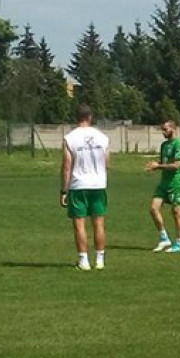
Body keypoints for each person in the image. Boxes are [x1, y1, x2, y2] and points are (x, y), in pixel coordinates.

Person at [60, 105, 110, 271]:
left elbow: (67, 166)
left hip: (78, 184)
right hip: (98, 184)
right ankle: (100, 259)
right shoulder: (102, 137)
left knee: (79, 224)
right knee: (98, 223)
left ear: (77, 117)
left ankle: (84, 261)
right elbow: (107, 163)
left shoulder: (70, 138)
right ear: (90, 117)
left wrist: (64, 191)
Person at [147, 120, 180, 253]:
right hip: (164, 182)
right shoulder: (164, 145)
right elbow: (164, 162)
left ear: (173, 129)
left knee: (176, 212)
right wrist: (155, 165)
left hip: (176, 182)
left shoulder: (179, 144)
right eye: (162, 129)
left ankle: (179, 243)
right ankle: (164, 238)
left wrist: (158, 166)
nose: (163, 132)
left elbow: (176, 165)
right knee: (153, 208)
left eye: (165, 129)